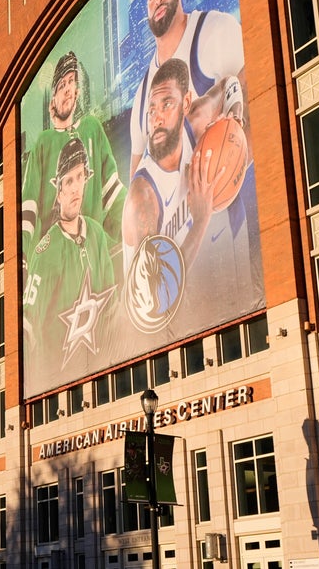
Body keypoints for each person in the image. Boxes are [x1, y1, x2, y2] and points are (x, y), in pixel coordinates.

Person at [122, 59, 254, 334]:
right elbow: (156, 297)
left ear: (185, 103)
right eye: (152, 110)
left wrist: (236, 115)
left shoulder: (195, 122)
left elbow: (230, 82)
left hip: (215, 279)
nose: (156, 117)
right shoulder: (142, 198)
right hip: (159, 322)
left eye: (167, 104)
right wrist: (201, 218)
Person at [128, 0, 248, 177]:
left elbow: (253, 104)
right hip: (181, 210)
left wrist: (220, 176)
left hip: (223, 201)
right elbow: (137, 184)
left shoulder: (215, 30)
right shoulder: (141, 98)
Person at [22, 138, 119, 373]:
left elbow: (111, 304)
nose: (75, 187)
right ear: (59, 192)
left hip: (101, 367)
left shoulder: (96, 232)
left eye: (80, 177)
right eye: (68, 181)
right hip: (57, 378)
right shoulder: (44, 252)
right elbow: (28, 325)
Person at [22, 52, 126, 257]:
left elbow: (113, 191)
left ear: (77, 91)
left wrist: (136, 221)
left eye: (71, 82)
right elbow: (29, 205)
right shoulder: (44, 142)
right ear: (53, 99)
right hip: (57, 258)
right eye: (61, 85)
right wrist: (25, 257)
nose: (68, 89)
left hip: (93, 254)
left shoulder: (92, 128)